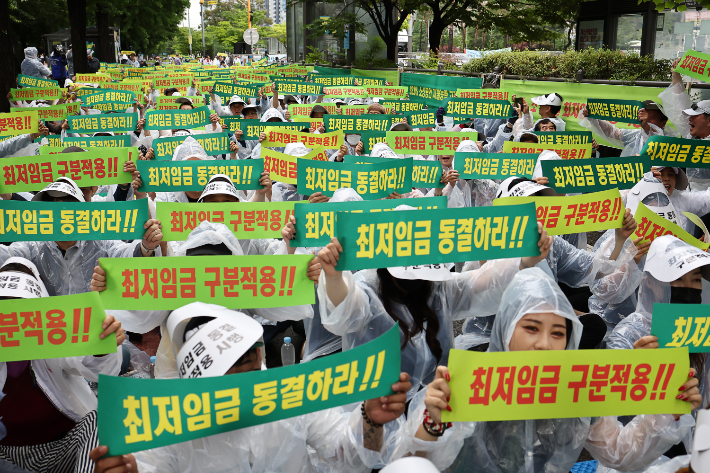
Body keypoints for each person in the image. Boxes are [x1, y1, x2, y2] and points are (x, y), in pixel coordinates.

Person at [391, 267, 698, 472]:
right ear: (506, 328)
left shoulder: (577, 386)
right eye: (531, 328)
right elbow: (409, 464)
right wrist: (433, 423)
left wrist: (666, 410)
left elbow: (621, 452)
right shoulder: (465, 380)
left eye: (557, 333)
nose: (543, 344)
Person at [90, 301, 412, 473]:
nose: (241, 369)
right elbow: (151, 466)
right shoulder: (171, 421)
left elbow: (350, 455)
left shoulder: (290, 394)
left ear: (258, 354)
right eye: (223, 366)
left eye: (246, 356)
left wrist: (370, 421)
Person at [315, 210, 554, 399]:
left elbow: (483, 281)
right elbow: (345, 312)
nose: (417, 277)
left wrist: (524, 260)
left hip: (433, 400)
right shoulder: (368, 289)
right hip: (378, 405)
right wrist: (334, 278)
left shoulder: (438, 288)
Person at [0, 257, 125, 472]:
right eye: (5, 303)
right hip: (5, 457)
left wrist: (101, 347)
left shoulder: (55, 336)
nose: (15, 315)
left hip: (62, 449)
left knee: (102, 419)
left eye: (20, 303)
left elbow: (95, 367)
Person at [659, 58, 710, 190]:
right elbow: (680, 103)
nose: (689, 119)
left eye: (694, 116)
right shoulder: (690, 136)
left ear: (709, 121)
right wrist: (675, 74)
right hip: (691, 200)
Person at [579, 100, 675, 157]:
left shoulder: (670, 142)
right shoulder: (636, 135)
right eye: (644, 114)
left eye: (652, 117)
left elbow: (654, 141)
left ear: (663, 123)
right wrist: (592, 117)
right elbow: (612, 131)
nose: (645, 118)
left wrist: (646, 126)